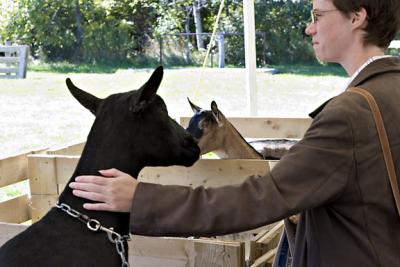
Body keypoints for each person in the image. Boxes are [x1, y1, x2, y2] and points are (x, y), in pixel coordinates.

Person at [69, 0, 400, 266]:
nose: (309, 27)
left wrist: (141, 199)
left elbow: (261, 199)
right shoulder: (391, 88)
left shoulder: (349, 116)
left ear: (357, 17)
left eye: (317, 14)